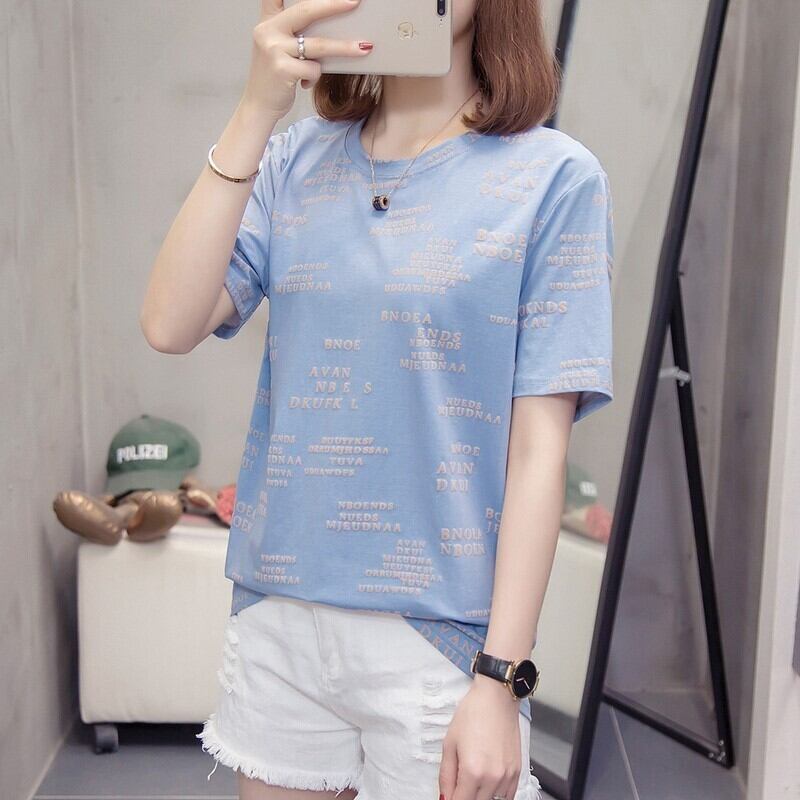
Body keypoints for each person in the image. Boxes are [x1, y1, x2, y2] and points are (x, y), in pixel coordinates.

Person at [140, 0, 614, 798]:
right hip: (283, 615)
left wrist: (501, 678)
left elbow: (539, 453)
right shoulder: (293, 160)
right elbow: (169, 322)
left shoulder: (555, 180)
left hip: (441, 643)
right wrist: (256, 108)